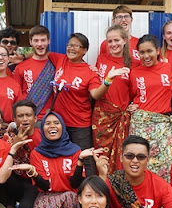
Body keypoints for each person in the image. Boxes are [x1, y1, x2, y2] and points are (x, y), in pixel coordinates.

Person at [10, 112, 99, 208]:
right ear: (42, 129)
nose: (52, 126)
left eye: (56, 123)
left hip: (72, 199)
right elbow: (45, 186)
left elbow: (75, 184)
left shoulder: (75, 150)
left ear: (62, 127)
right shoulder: (37, 153)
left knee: (69, 198)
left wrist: (80, 162)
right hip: (48, 198)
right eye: (48, 123)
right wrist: (33, 172)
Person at [53, 32, 129, 176]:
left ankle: (92, 191)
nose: (71, 48)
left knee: (86, 159)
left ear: (84, 50)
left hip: (79, 124)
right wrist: (22, 57)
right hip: (59, 122)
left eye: (76, 46)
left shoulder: (89, 72)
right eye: (69, 45)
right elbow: (41, 55)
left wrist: (108, 80)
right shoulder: (60, 60)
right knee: (60, 158)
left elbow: (96, 94)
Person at [128, 34, 172, 182]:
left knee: (170, 164)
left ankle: (166, 203)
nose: (146, 56)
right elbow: (129, 95)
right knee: (140, 163)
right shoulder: (134, 72)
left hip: (163, 124)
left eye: (149, 51)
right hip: (141, 124)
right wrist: (130, 106)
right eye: (142, 52)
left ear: (158, 50)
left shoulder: (168, 68)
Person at [93, 25, 139, 173]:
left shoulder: (133, 64)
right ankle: (101, 188)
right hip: (102, 117)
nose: (113, 44)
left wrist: (134, 104)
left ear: (125, 40)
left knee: (122, 156)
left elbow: (137, 90)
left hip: (121, 117)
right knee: (101, 156)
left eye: (116, 40)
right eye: (110, 41)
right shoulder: (101, 59)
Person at [0, 99, 42, 208]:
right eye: (20, 116)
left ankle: (30, 205)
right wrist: (15, 144)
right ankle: (6, 205)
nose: (25, 119)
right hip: (14, 179)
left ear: (35, 118)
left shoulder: (41, 136)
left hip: (33, 181)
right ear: (15, 120)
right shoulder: (9, 135)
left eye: (28, 115)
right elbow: (1, 160)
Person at [14, 25, 64, 119]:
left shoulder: (58, 62)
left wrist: (91, 68)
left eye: (43, 40)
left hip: (51, 118)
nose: (40, 44)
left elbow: (76, 63)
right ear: (30, 42)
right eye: (36, 40)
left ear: (49, 41)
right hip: (29, 118)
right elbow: (17, 96)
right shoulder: (20, 67)